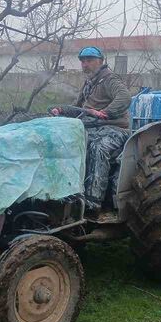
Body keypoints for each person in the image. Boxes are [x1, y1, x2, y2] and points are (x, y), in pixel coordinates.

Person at [51, 46, 132, 211]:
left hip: (115, 129)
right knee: (65, 141)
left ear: (100, 61)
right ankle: (66, 192)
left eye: (89, 60)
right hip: (93, 127)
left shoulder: (110, 79)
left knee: (98, 147)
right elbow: (78, 107)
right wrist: (60, 110)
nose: (85, 64)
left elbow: (124, 97)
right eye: (83, 61)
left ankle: (93, 203)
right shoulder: (89, 83)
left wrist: (105, 113)